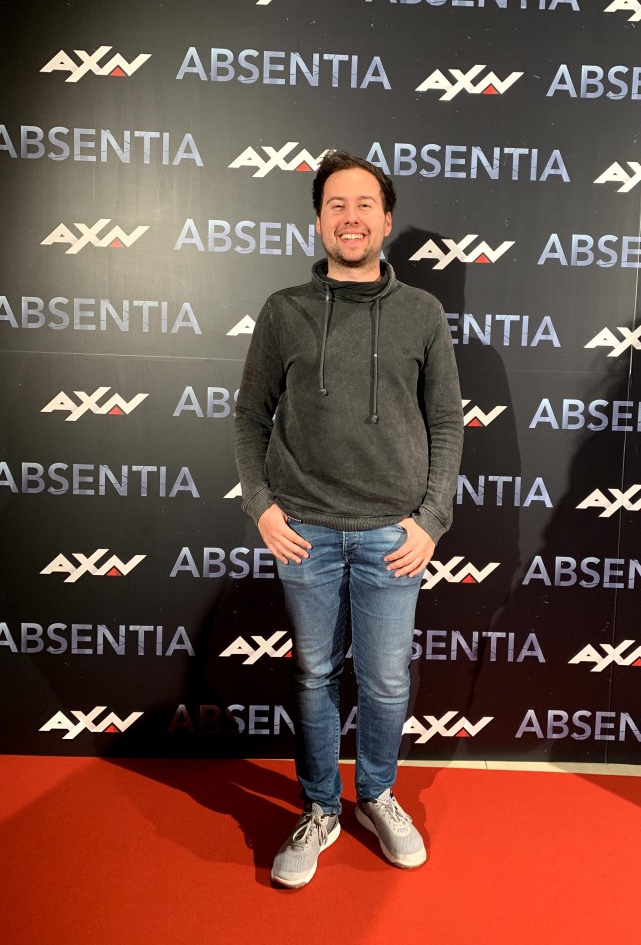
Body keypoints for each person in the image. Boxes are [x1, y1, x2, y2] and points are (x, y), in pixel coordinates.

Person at [234, 150, 464, 888]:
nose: (351, 217)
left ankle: (377, 795)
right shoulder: (284, 311)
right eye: (337, 204)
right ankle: (319, 807)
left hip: (393, 535)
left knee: (387, 681)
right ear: (319, 220)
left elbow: (447, 424)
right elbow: (249, 416)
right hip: (304, 532)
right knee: (313, 675)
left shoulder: (423, 314)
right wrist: (261, 505)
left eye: (365, 204)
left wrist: (430, 519)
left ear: (386, 221)